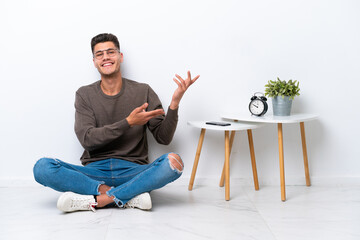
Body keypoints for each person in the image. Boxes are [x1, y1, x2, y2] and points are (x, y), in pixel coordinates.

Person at [33, 33, 200, 213]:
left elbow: (164, 138)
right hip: (94, 173)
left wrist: (174, 105)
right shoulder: (84, 94)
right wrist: (128, 122)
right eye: (99, 54)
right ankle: (127, 196)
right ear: (94, 61)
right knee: (42, 167)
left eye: (110, 52)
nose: (105, 57)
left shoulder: (143, 91)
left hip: (134, 171)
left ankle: (99, 201)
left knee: (174, 162)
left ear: (120, 57)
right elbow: (87, 139)